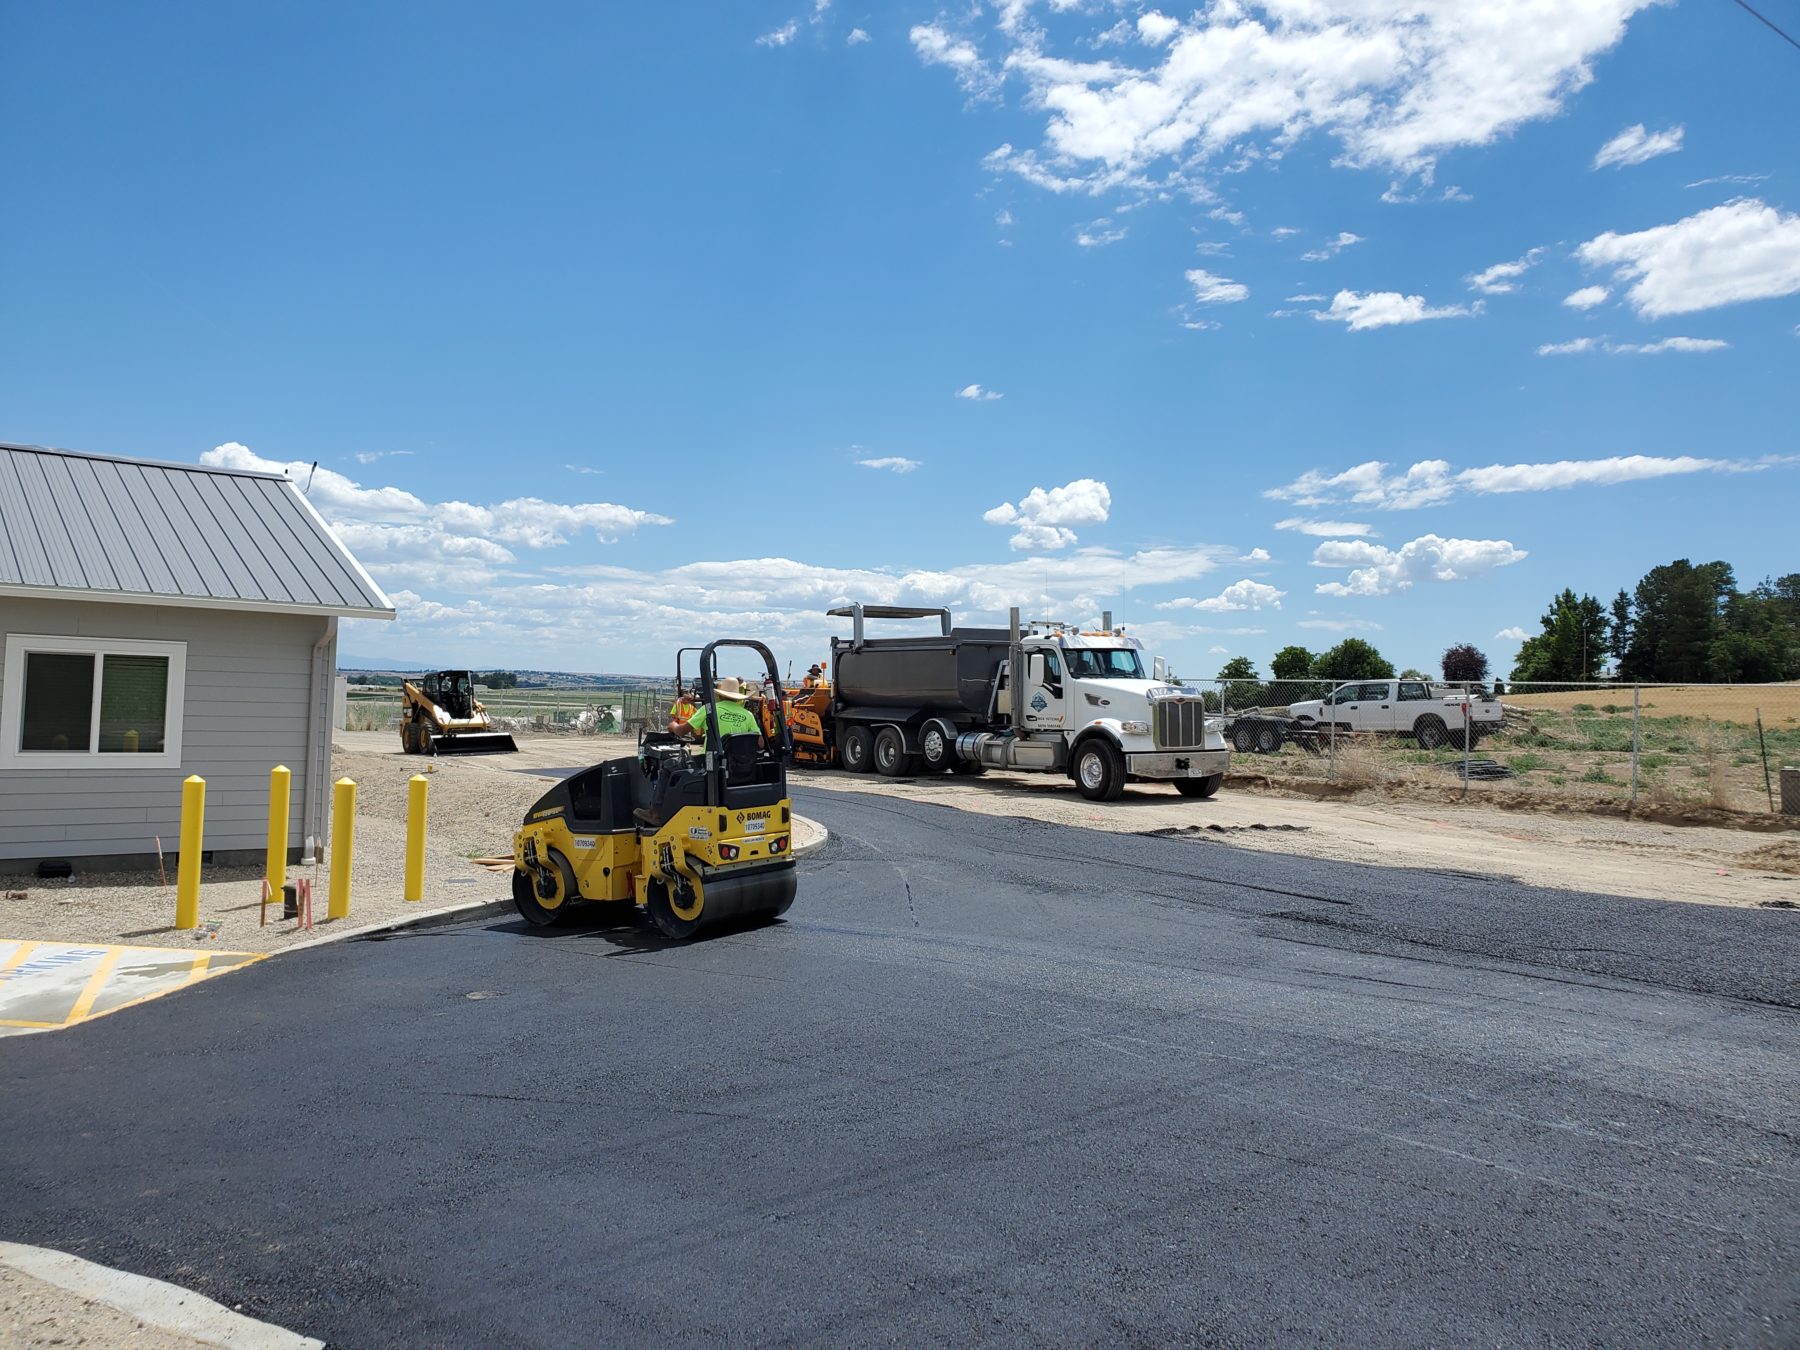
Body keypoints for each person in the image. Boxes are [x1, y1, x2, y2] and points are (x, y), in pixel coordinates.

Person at [668, 676, 763, 741]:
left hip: (712, 763)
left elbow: (681, 731)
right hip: (740, 765)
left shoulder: (708, 709)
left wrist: (673, 726)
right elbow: (760, 742)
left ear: (719, 696)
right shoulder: (748, 715)